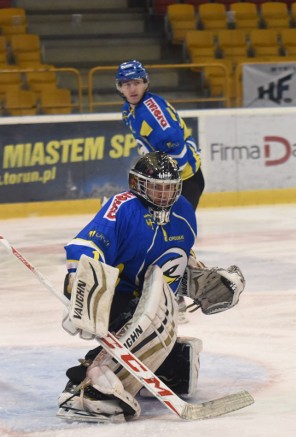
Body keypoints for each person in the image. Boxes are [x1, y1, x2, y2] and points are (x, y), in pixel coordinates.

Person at [56, 151, 245, 422]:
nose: (164, 196)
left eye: (170, 189)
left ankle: (167, 365)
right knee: (138, 319)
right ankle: (86, 387)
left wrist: (199, 278)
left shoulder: (183, 211)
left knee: (160, 327)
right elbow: (88, 245)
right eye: (157, 188)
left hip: (151, 297)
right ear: (137, 184)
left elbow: (177, 259)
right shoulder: (123, 206)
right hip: (114, 298)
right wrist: (81, 285)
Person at [116, 60, 205, 210]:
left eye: (137, 83)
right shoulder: (129, 110)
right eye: (127, 84)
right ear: (120, 88)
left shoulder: (151, 116)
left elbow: (179, 158)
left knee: (172, 232)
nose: (132, 89)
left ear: (145, 83)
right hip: (166, 184)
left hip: (185, 183)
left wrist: (155, 180)